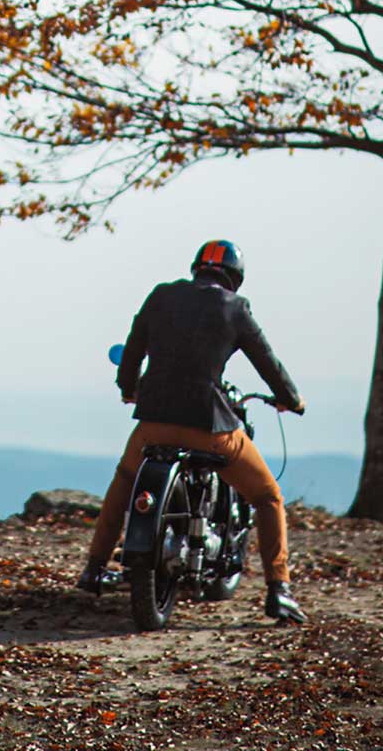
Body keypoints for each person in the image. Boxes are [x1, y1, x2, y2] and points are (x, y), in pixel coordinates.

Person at [78, 239, 309, 624]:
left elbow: (133, 352)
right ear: (234, 278)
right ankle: (279, 590)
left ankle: (94, 566)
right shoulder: (236, 309)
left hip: (152, 424)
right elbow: (267, 361)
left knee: (124, 480)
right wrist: (291, 398)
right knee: (268, 496)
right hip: (209, 428)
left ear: (195, 268)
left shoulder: (161, 296)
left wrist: (129, 390)